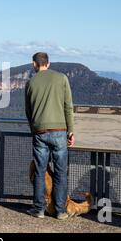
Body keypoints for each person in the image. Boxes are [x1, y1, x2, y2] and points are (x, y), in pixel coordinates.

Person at [25, 52, 75, 220]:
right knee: (61, 172)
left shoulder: (30, 82)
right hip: (60, 131)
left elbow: (29, 111)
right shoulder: (62, 78)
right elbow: (68, 106)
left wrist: (35, 130)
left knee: (40, 171)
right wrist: (71, 130)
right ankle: (60, 211)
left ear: (34, 64)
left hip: (40, 132)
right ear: (49, 63)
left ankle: (39, 209)